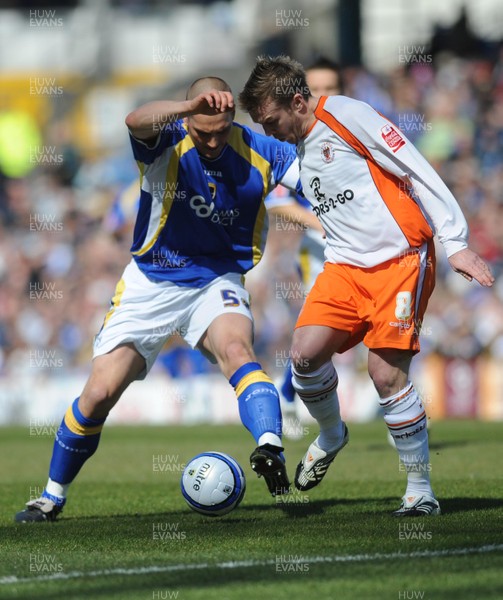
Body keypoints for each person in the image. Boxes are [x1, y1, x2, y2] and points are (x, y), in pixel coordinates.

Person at [15, 76, 300, 522]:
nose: (210, 141)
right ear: (188, 117)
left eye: (219, 131)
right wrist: (188, 108)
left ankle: (270, 447)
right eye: (201, 130)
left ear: (232, 120)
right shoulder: (165, 140)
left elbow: (316, 183)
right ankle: (51, 496)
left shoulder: (264, 152)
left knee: (237, 349)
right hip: (152, 281)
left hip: (216, 278)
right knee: (99, 393)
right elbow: (135, 119)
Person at [239, 56, 494, 516]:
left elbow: (414, 166)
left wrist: (454, 241)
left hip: (400, 261)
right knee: (303, 356)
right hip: (344, 267)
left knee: (385, 375)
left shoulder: (349, 116)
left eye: (272, 120)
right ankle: (333, 434)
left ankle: (419, 490)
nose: (269, 130)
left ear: (297, 101)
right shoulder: (295, 141)